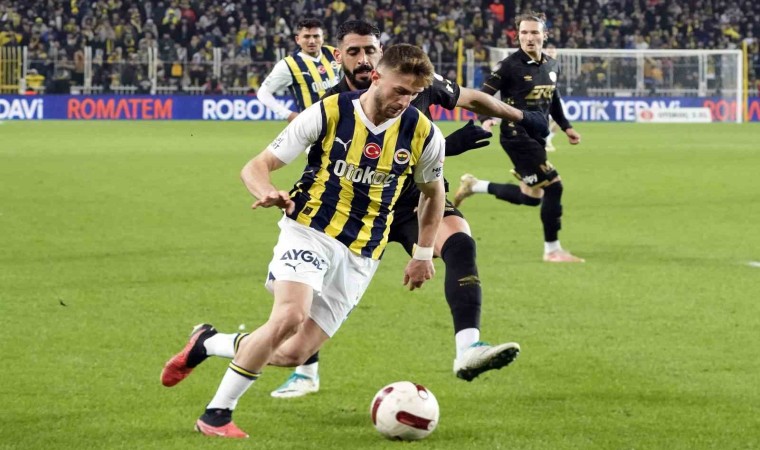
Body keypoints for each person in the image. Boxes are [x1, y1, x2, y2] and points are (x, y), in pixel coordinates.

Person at [161, 21, 548, 400]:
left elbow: (473, 100)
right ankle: (294, 368)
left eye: (370, 50)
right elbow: (333, 166)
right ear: (339, 56)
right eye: (353, 52)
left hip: (411, 201)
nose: (363, 58)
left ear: (382, 54)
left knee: (460, 244)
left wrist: (522, 116)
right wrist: (454, 144)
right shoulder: (332, 104)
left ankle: (468, 348)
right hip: (353, 208)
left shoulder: (415, 79)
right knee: (295, 330)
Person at [177, 44, 447, 439]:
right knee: (289, 317)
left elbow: (433, 194)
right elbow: (257, 165)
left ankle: (209, 342)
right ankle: (217, 414)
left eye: (413, 94)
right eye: (399, 90)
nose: (404, 101)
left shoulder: (424, 133)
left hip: (363, 251)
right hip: (309, 229)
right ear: (376, 77)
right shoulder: (329, 112)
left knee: (293, 353)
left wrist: (423, 253)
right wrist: (266, 190)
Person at [454, 12, 584, 263]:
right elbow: (483, 96)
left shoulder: (551, 65)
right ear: (518, 36)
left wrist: (566, 127)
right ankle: (552, 250)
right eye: (524, 32)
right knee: (554, 186)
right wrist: (486, 118)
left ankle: (475, 186)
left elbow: (553, 99)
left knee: (532, 197)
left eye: (534, 32)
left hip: (537, 137)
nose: (529, 37)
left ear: (545, 35)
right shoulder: (509, 66)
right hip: (516, 136)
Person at [256, 18, 341, 122]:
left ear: (323, 38)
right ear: (297, 39)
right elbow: (263, 93)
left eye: (316, 36)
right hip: (313, 125)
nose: (312, 41)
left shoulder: (333, 53)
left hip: (342, 121)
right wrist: (288, 115)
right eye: (306, 36)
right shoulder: (288, 65)